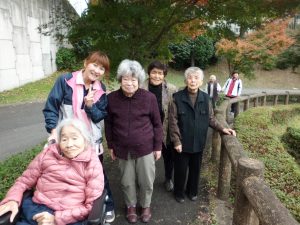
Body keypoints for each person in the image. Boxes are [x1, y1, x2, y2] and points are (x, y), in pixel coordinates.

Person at [42, 51, 115, 223]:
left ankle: (107, 206)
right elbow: (51, 107)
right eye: (95, 65)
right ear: (85, 63)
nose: (97, 71)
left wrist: (90, 106)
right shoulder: (66, 81)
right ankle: (71, 210)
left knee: (98, 177)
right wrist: (54, 131)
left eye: (102, 68)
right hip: (69, 143)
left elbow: (99, 116)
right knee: (68, 177)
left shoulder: (100, 89)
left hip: (91, 143)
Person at [0, 119, 104, 225]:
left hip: (69, 216)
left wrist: (57, 219)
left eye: (74, 138)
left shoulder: (92, 163)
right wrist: (12, 199)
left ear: (85, 139)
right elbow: (24, 181)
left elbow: (91, 205)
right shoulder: (47, 154)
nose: (69, 144)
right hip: (36, 210)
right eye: (64, 139)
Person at [105, 59, 163, 224]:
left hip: (145, 147)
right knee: (127, 181)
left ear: (139, 81)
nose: (129, 83)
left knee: (146, 180)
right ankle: (131, 206)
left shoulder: (149, 98)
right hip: (122, 148)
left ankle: (145, 206)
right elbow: (108, 124)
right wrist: (110, 145)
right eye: (125, 79)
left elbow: (157, 124)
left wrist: (158, 146)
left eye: (133, 79)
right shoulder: (112, 99)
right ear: (120, 80)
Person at [169, 67, 236, 203]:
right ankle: (178, 193)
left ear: (201, 81)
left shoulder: (206, 98)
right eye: (190, 78)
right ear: (186, 80)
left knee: (195, 169)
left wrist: (223, 129)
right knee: (180, 170)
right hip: (182, 141)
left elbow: (210, 118)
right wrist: (176, 141)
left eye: (196, 78)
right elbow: (172, 121)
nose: (193, 81)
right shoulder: (177, 97)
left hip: (199, 141)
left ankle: (192, 191)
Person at [142, 61, 177, 192]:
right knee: (145, 158)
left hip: (165, 128)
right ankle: (145, 180)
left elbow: (175, 111)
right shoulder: (140, 87)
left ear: (164, 75)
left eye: (160, 73)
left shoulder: (172, 89)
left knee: (169, 157)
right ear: (149, 73)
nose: (157, 76)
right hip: (146, 130)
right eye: (154, 72)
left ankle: (168, 178)